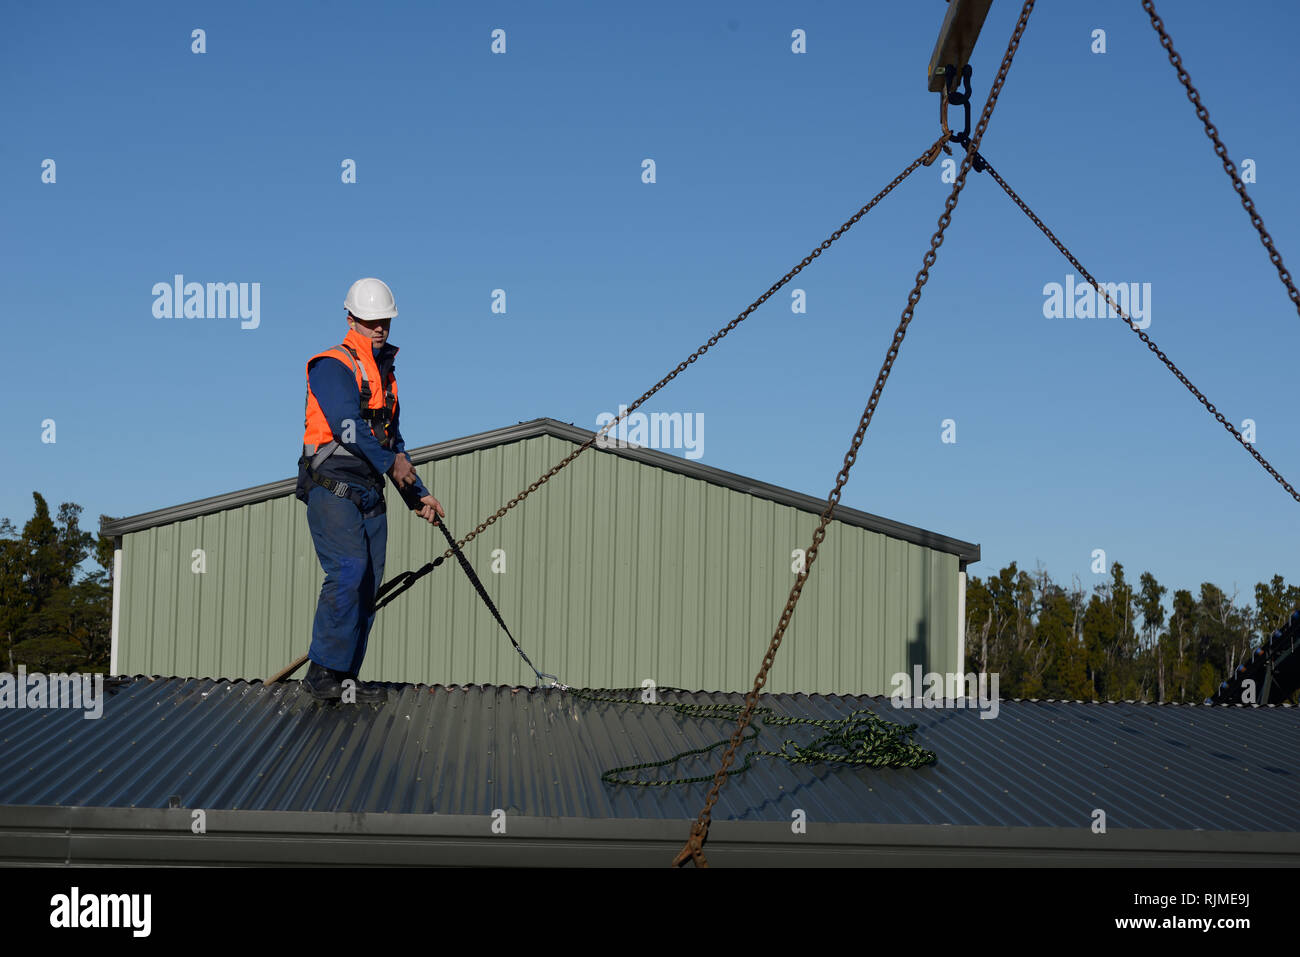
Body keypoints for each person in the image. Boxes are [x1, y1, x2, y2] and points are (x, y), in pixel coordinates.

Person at [296, 277, 444, 702]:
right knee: (348, 570)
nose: (379, 328)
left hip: (370, 491)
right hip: (332, 485)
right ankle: (321, 673)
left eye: (384, 321)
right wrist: (390, 463)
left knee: (368, 584)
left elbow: (393, 443)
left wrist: (419, 495)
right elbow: (346, 426)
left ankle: (345, 678)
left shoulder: (386, 377)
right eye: (370, 321)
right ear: (351, 319)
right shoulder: (331, 365)